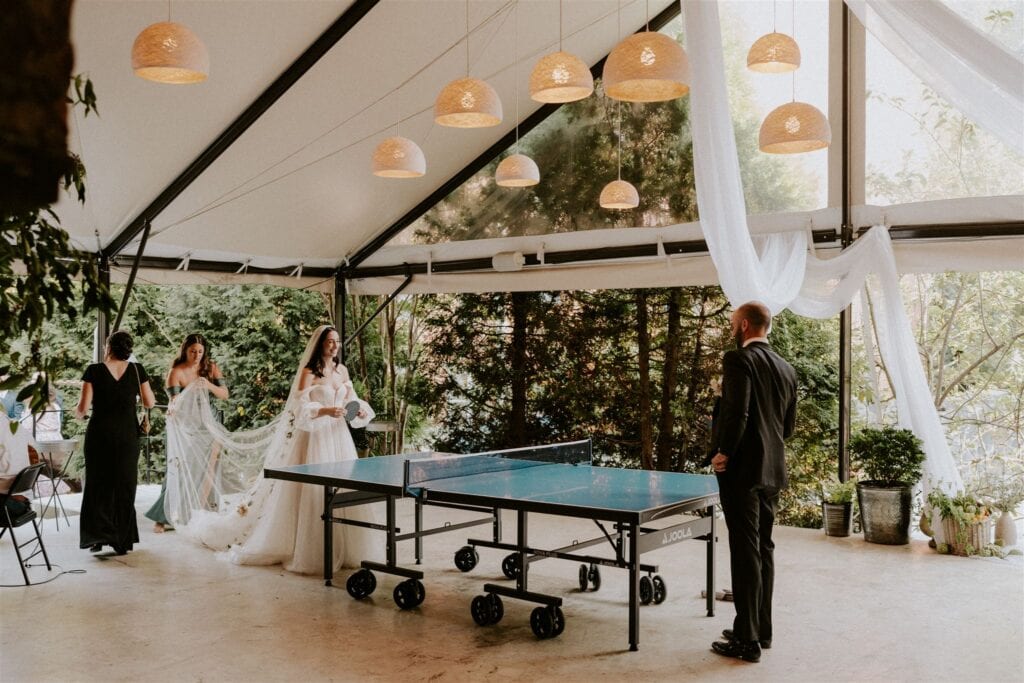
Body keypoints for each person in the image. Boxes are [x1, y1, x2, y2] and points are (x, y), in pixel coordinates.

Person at [182, 324, 379, 574]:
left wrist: (357, 408)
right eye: (330, 341)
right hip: (314, 438)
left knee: (344, 489)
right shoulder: (310, 371)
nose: (334, 345)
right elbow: (299, 406)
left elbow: (350, 398)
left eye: (337, 341)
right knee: (313, 492)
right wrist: (325, 410)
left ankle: (348, 549)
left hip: (338, 437)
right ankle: (313, 549)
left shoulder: (342, 370)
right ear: (320, 344)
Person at [709, 302, 797, 664]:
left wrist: (723, 451)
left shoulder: (737, 360)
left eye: (733, 323)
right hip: (773, 471)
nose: (733, 329)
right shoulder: (787, 369)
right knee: (763, 548)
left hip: (743, 470)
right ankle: (760, 628)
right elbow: (787, 428)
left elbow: (738, 411)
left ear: (743, 325)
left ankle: (746, 640)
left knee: (744, 551)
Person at [75, 330, 156, 555]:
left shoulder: (93, 371)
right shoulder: (137, 370)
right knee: (124, 485)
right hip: (127, 436)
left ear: (108, 347)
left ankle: (97, 538)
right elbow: (150, 401)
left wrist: (77, 412)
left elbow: (82, 410)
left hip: (99, 435)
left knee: (97, 485)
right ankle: (121, 540)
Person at [145, 334, 229, 533]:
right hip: (186, 424)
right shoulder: (176, 371)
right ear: (185, 350)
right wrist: (187, 391)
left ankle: (202, 511)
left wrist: (207, 384)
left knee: (210, 466)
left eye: (200, 351)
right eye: (193, 351)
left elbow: (225, 394)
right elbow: (176, 401)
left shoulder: (211, 367)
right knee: (179, 466)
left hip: (209, 423)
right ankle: (163, 515)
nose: (197, 355)